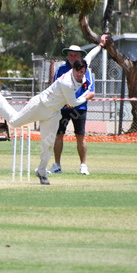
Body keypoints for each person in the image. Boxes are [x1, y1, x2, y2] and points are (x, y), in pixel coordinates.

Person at [0, 59, 93, 185]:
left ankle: (41, 172)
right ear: (73, 69)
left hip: (53, 114)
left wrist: (100, 47)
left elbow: (89, 57)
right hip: (40, 105)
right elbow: (73, 103)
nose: (80, 75)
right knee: (15, 122)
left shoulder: (81, 73)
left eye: (82, 72)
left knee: (48, 144)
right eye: (78, 72)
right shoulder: (66, 82)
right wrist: (86, 96)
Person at [48, 35, 107, 175]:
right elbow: (55, 88)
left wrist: (101, 45)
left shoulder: (86, 70)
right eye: (70, 55)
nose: (72, 57)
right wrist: (65, 101)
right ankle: (57, 165)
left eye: (75, 55)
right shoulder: (61, 70)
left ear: (80, 56)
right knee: (58, 135)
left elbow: (91, 92)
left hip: (79, 109)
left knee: (80, 136)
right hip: (62, 108)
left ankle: (83, 166)